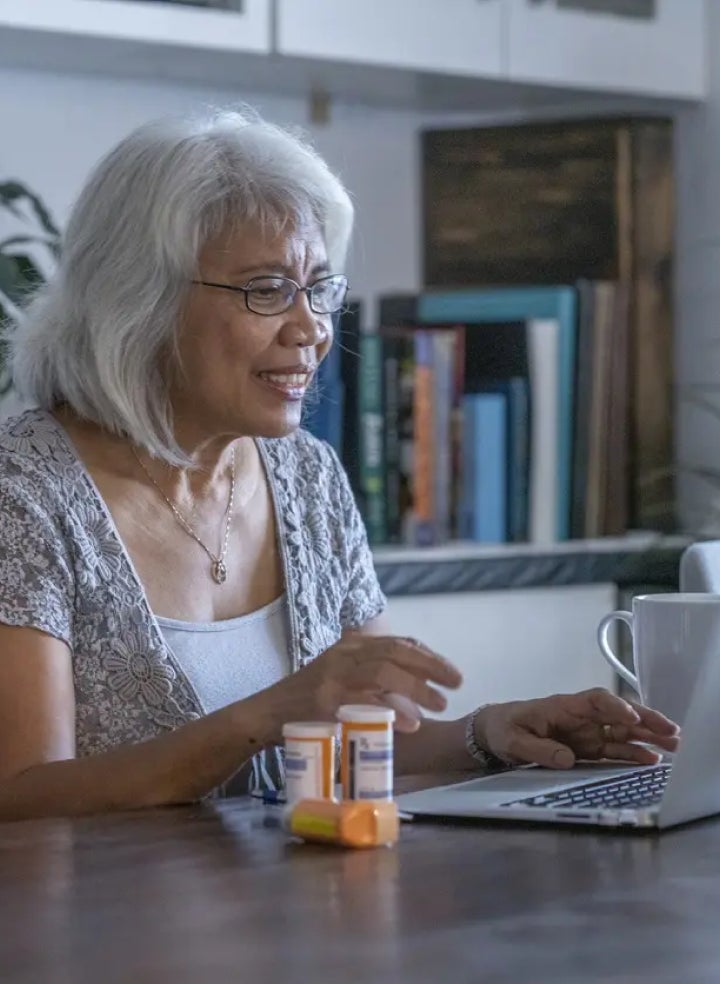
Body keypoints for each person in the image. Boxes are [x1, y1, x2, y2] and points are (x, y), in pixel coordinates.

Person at [0, 109, 678, 821]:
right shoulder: (24, 494)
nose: (313, 329)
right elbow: (19, 797)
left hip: (291, 913)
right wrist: (266, 715)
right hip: (97, 927)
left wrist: (490, 735)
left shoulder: (307, 475)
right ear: (138, 301)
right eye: (266, 290)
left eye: (319, 288)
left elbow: (366, 734)